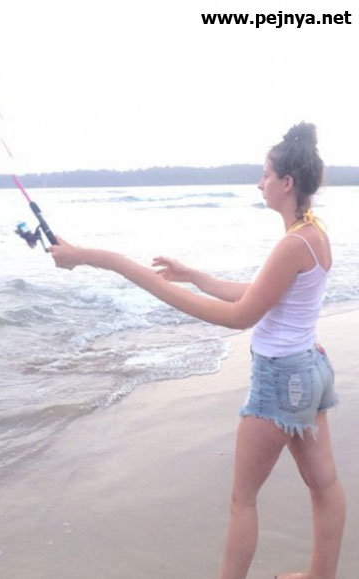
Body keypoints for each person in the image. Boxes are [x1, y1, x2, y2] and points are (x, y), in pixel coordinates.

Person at [49, 122, 345, 579]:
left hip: (282, 380)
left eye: (265, 175)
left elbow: (240, 316)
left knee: (242, 501)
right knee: (324, 484)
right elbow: (263, 294)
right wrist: (195, 277)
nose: (259, 183)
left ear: (287, 182)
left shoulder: (293, 243)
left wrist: (110, 263)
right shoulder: (313, 233)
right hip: (311, 371)